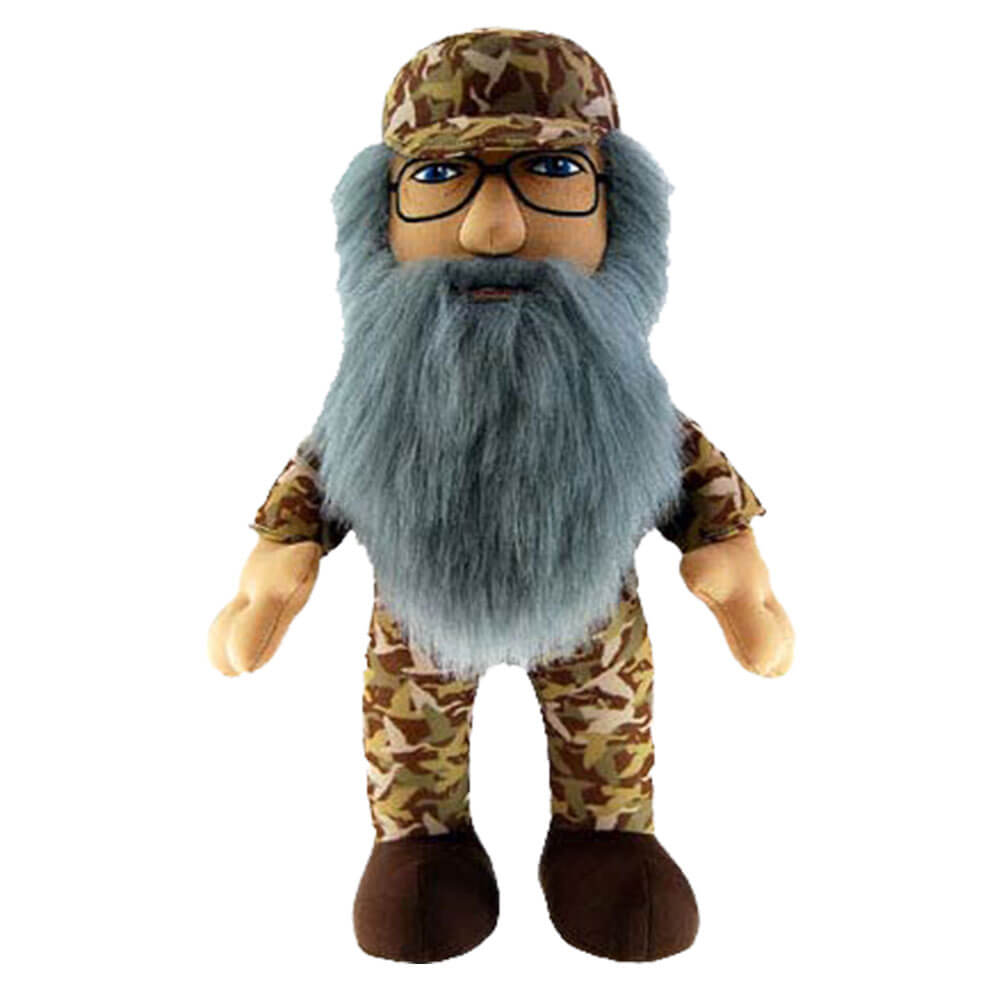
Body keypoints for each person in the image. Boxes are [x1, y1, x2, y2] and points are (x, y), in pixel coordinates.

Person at [209, 28, 794, 963]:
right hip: (420, 612)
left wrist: (732, 566)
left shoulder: (623, 390)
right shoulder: (376, 394)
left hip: (593, 609)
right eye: (440, 177)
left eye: (551, 171)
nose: (493, 230)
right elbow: (317, 476)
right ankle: (422, 846)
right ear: (381, 217)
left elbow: (691, 472)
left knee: (607, 721)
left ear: (618, 211)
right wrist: (277, 564)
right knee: (410, 727)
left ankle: (606, 839)